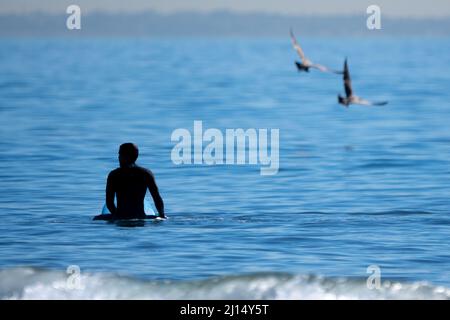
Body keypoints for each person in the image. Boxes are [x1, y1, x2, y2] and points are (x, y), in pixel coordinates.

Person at [103, 143, 165, 219]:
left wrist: (116, 215)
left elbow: (109, 203)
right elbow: (157, 198)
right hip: (140, 217)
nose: (118, 157)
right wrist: (162, 215)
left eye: (120, 154)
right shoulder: (145, 173)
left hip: (120, 218)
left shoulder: (114, 175)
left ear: (126, 156)